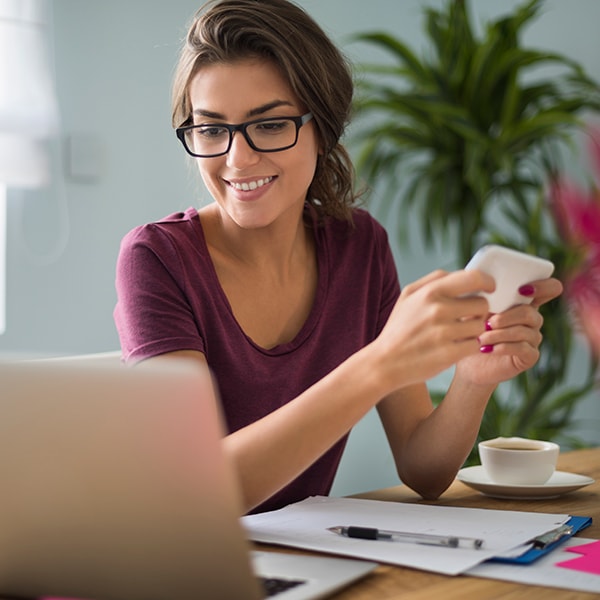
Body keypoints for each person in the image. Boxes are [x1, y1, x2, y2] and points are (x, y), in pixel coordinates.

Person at [114, 0, 562, 515]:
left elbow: (425, 470)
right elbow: (198, 492)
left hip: (302, 566)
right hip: (187, 564)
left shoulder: (360, 247)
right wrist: (378, 364)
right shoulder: (157, 258)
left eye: (270, 124)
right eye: (212, 129)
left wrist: (473, 379)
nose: (237, 159)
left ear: (322, 128)